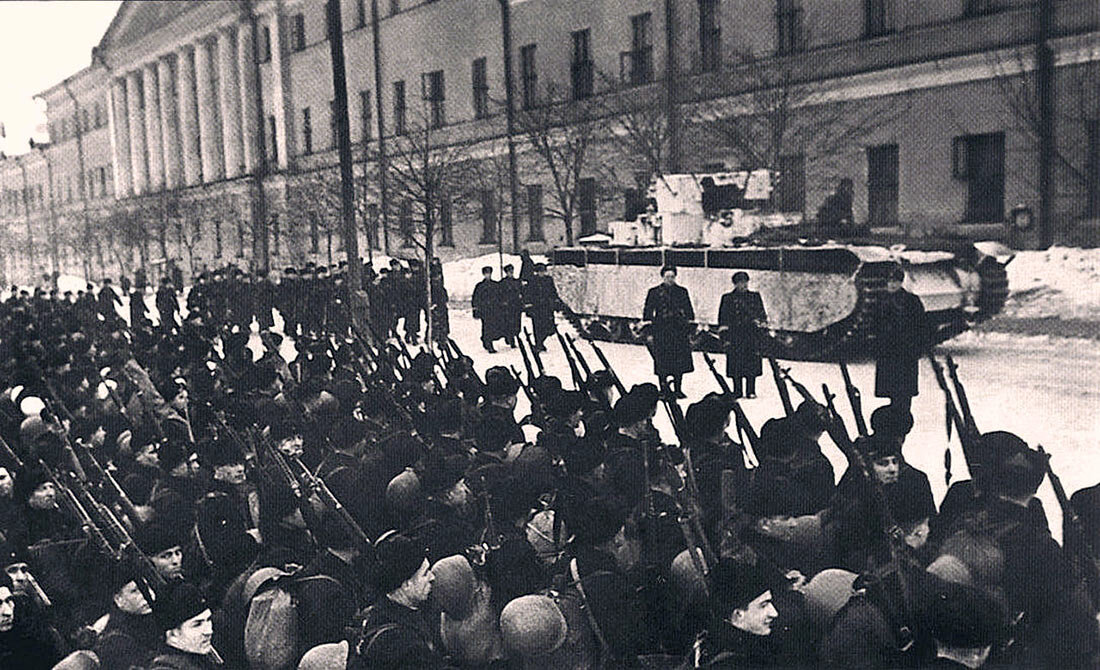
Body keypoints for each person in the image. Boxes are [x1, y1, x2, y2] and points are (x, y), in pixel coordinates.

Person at [348, 532, 445, 669]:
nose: (432, 577)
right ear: (405, 584)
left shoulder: (381, 613)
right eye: (425, 573)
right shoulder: (403, 644)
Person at [874, 267, 926, 410]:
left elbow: (921, 326)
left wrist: (917, 349)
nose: (891, 285)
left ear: (901, 282)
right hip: (888, 352)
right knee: (891, 392)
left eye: (895, 281)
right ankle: (895, 418)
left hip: (905, 352)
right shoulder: (882, 300)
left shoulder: (911, 300)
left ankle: (902, 421)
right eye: (889, 281)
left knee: (904, 394)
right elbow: (876, 325)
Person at [643, 265, 695, 399]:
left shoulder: (682, 292)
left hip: (678, 331)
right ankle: (664, 389)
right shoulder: (654, 292)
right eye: (667, 277)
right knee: (662, 361)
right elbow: (648, 311)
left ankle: (678, 389)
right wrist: (649, 328)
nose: (670, 279)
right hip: (661, 331)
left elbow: (689, 310)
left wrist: (688, 323)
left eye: (672, 277)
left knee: (679, 362)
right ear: (662, 277)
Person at [718, 271, 768, 398]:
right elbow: (723, 318)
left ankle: (751, 390)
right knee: (736, 363)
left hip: (751, 335)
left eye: (745, 282)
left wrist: (761, 327)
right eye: (740, 282)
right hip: (735, 335)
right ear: (735, 284)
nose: (744, 285)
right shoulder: (727, 298)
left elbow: (762, 314)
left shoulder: (755, 297)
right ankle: (737, 390)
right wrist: (725, 337)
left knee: (752, 362)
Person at [149, 581, 220, 669]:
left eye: (209, 619)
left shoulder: (202, 656)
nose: (209, 631)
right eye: (197, 624)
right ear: (172, 635)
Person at [471, 266, 499, 352]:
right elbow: (475, 298)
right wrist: (475, 309)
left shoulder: (495, 285)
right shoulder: (480, 286)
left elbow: (499, 296)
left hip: (494, 309)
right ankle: (489, 344)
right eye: (486, 273)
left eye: (489, 273)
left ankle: (486, 340)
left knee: (493, 326)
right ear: (483, 274)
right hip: (485, 310)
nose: (488, 275)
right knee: (487, 327)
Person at [498, 264, 523, 348]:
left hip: (516, 305)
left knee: (517, 323)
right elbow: (500, 294)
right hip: (507, 307)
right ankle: (510, 338)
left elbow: (522, 292)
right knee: (509, 323)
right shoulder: (502, 282)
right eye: (509, 271)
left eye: (512, 271)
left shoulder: (517, 281)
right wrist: (503, 302)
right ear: (506, 272)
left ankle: (515, 335)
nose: (511, 273)